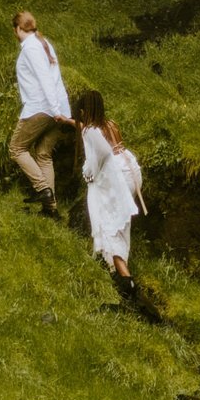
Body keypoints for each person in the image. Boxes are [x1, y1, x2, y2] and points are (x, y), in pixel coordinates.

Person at [73, 91, 146, 295]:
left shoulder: (89, 130)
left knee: (106, 224)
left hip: (116, 174)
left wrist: (89, 173)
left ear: (84, 111)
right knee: (118, 222)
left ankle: (124, 276)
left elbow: (102, 151)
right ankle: (120, 269)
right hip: (130, 167)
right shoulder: (109, 123)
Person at [8, 10, 73, 215]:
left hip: (43, 108)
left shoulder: (31, 48)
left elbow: (46, 79)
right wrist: (61, 110)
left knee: (16, 149)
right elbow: (55, 78)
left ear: (18, 29)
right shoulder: (43, 43)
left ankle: (43, 189)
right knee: (43, 155)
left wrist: (54, 110)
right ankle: (50, 210)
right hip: (58, 108)